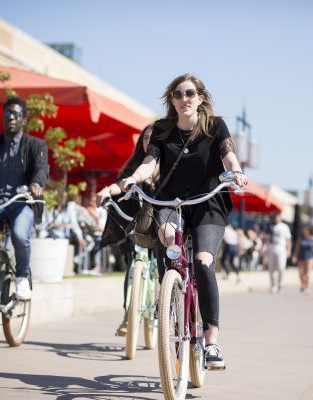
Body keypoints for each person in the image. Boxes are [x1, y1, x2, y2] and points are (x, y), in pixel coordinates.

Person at [119, 74, 248, 369]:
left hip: (208, 204)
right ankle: (171, 289)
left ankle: (212, 341)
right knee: (165, 234)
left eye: (190, 93)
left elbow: (228, 155)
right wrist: (135, 178)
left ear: (200, 97)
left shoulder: (215, 126)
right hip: (171, 201)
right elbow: (150, 161)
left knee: (203, 262)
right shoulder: (163, 129)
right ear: (172, 99)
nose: (184, 98)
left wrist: (237, 171)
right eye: (178, 94)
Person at [96, 124, 157, 336]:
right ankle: (127, 313)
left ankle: (164, 305)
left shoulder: (168, 164)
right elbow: (119, 185)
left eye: (153, 137)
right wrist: (106, 190)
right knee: (133, 263)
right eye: (146, 137)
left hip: (161, 223)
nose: (149, 140)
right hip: (139, 223)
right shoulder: (135, 166)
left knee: (163, 264)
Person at [0, 96, 49, 300]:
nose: (10, 117)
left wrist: (36, 184)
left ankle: (22, 278)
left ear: (24, 120)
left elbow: (42, 168)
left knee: (18, 234)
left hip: (22, 202)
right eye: (6, 113)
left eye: (15, 114)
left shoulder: (36, 145)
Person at [292, 225, 313, 295]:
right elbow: (297, 248)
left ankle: (307, 287)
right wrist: (294, 256)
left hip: (310, 258)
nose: (304, 232)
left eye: (306, 230)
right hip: (301, 257)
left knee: (307, 274)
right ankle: (303, 284)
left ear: (309, 231)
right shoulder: (300, 238)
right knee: (301, 273)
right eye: (303, 230)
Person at [265, 212, 291, 293]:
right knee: (271, 269)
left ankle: (279, 284)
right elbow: (267, 238)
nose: (276, 219)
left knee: (281, 268)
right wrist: (265, 247)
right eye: (275, 217)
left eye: (277, 217)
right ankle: (273, 285)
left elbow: (288, 239)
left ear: (280, 218)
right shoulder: (270, 226)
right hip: (271, 249)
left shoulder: (284, 227)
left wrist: (289, 250)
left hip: (281, 250)